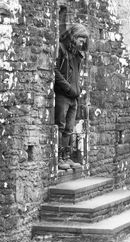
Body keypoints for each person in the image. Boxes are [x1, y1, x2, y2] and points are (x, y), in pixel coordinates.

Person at [54, 23, 89, 170]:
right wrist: (68, 88)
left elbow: (76, 75)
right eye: (80, 40)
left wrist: (78, 89)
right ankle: (59, 159)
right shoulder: (61, 48)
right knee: (61, 126)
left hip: (74, 97)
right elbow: (55, 71)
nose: (82, 43)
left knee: (69, 128)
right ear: (73, 37)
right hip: (63, 95)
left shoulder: (77, 54)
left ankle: (66, 157)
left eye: (84, 41)